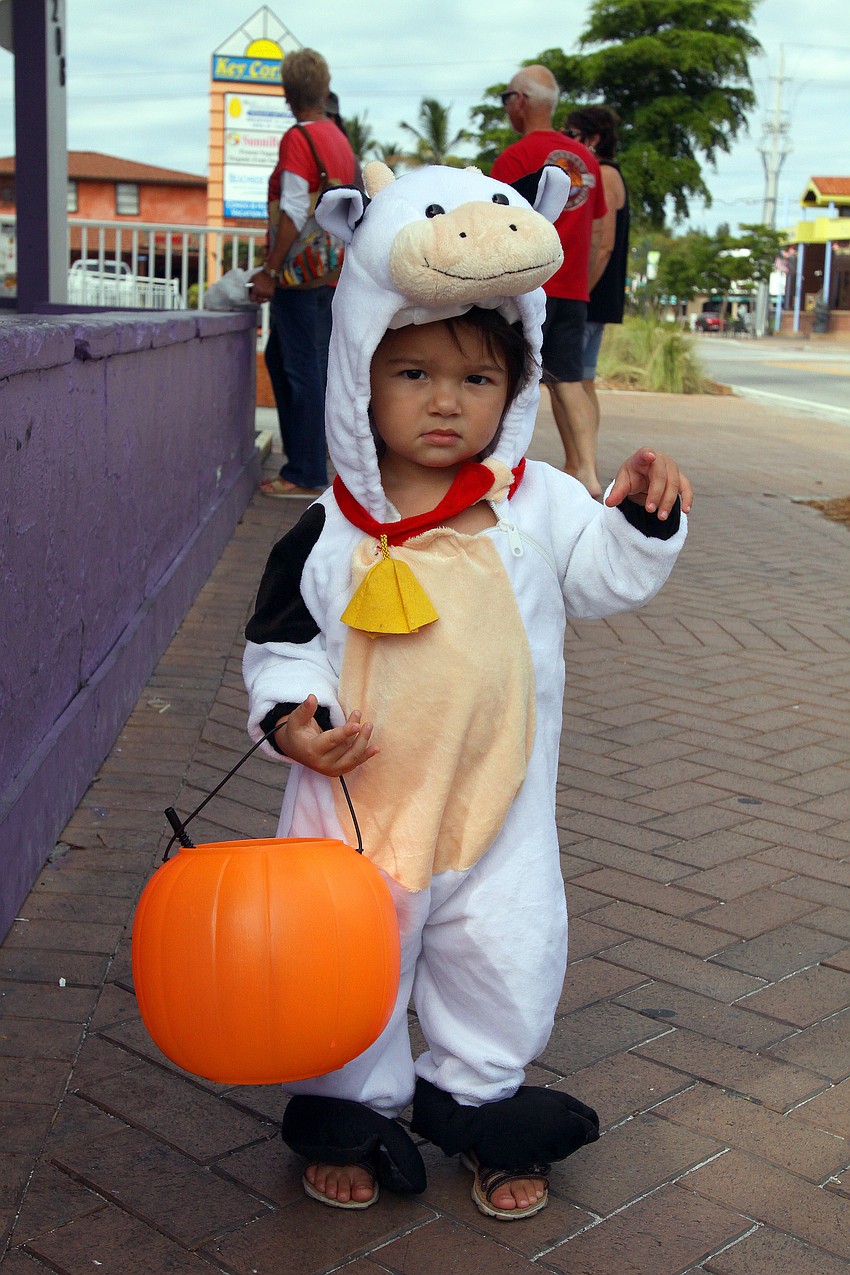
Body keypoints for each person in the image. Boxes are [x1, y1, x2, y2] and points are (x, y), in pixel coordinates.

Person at [243, 162, 691, 1219]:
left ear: (517, 388)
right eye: (414, 374)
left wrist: (639, 519)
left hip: (501, 805)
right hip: (354, 809)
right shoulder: (334, 526)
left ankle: (480, 1100)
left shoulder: (532, 501)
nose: (446, 401)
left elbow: (601, 575)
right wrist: (293, 722)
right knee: (349, 969)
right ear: (362, 373)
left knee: (503, 952)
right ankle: (352, 1107)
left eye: (478, 380)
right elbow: (281, 644)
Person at [491, 65, 608, 498]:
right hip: (573, 288)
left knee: (503, 377)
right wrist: (583, 283)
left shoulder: (515, 158)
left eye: (507, 99)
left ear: (520, 101)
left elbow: (497, 226)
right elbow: (599, 233)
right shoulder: (586, 159)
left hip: (527, 286)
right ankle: (589, 474)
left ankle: (495, 470)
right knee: (570, 381)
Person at [251, 50, 357, 498]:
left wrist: (269, 270)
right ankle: (312, 460)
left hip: (298, 274)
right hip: (329, 269)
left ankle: (306, 471)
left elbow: (293, 209)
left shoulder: (298, 137)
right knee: (292, 361)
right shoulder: (338, 137)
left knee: (301, 370)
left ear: (288, 92)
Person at [564, 106, 630, 434]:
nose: (566, 142)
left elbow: (604, 242)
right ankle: (581, 459)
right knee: (582, 380)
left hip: (590, 295)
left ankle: (581, 461)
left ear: (593, 138)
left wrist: (581, 293)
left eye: (571, 135)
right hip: (598, 296)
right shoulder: (608, 173)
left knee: (569, 381)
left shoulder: (602, 174)